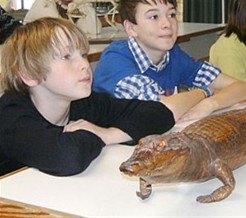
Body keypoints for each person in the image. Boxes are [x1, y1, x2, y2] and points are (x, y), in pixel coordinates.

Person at [0, 17, 175, 177]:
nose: (84, 64)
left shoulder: (82, 102)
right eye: (67, 57)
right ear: (29, 75)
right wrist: (94, 134)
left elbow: (159, 113)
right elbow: (69, 157)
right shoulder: (10, 116)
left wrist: (108, 134)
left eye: (83, 54)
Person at [93, 0, 246, 122]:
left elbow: (244, 89)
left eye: (171, 14)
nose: (167, 24)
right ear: (131, 28)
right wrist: (205, 92)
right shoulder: (115, 60)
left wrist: (210, 104)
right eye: (154, 17)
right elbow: (164, 110)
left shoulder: (173, 55)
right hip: (110, 151)